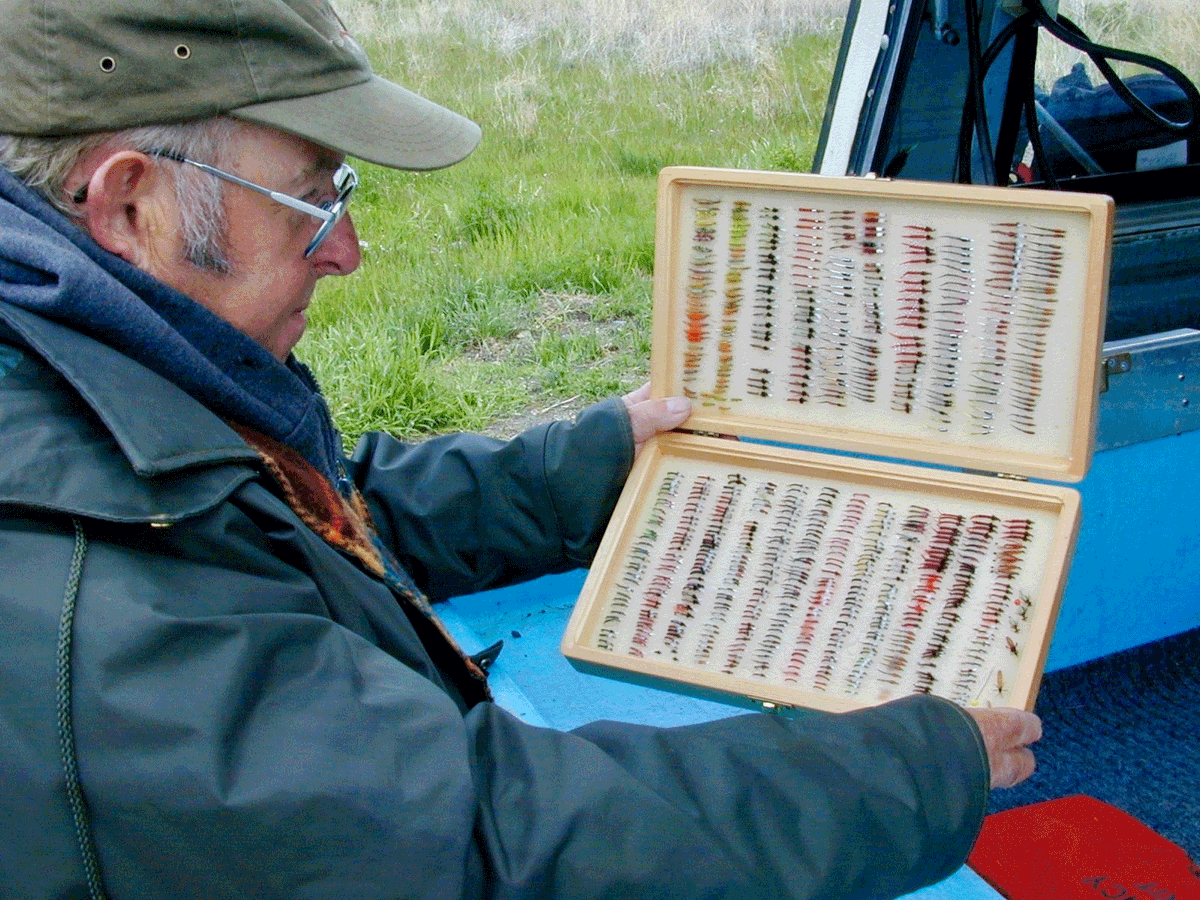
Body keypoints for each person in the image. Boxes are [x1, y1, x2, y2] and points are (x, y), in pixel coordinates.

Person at [0, 1, 1041, 897]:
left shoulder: (91, 378)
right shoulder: (90, 598)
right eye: (312, 199)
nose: (349, 251)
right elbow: (492, 849)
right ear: (131, 205)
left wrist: (595, 465)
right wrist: (910, 770)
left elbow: (300, 512)